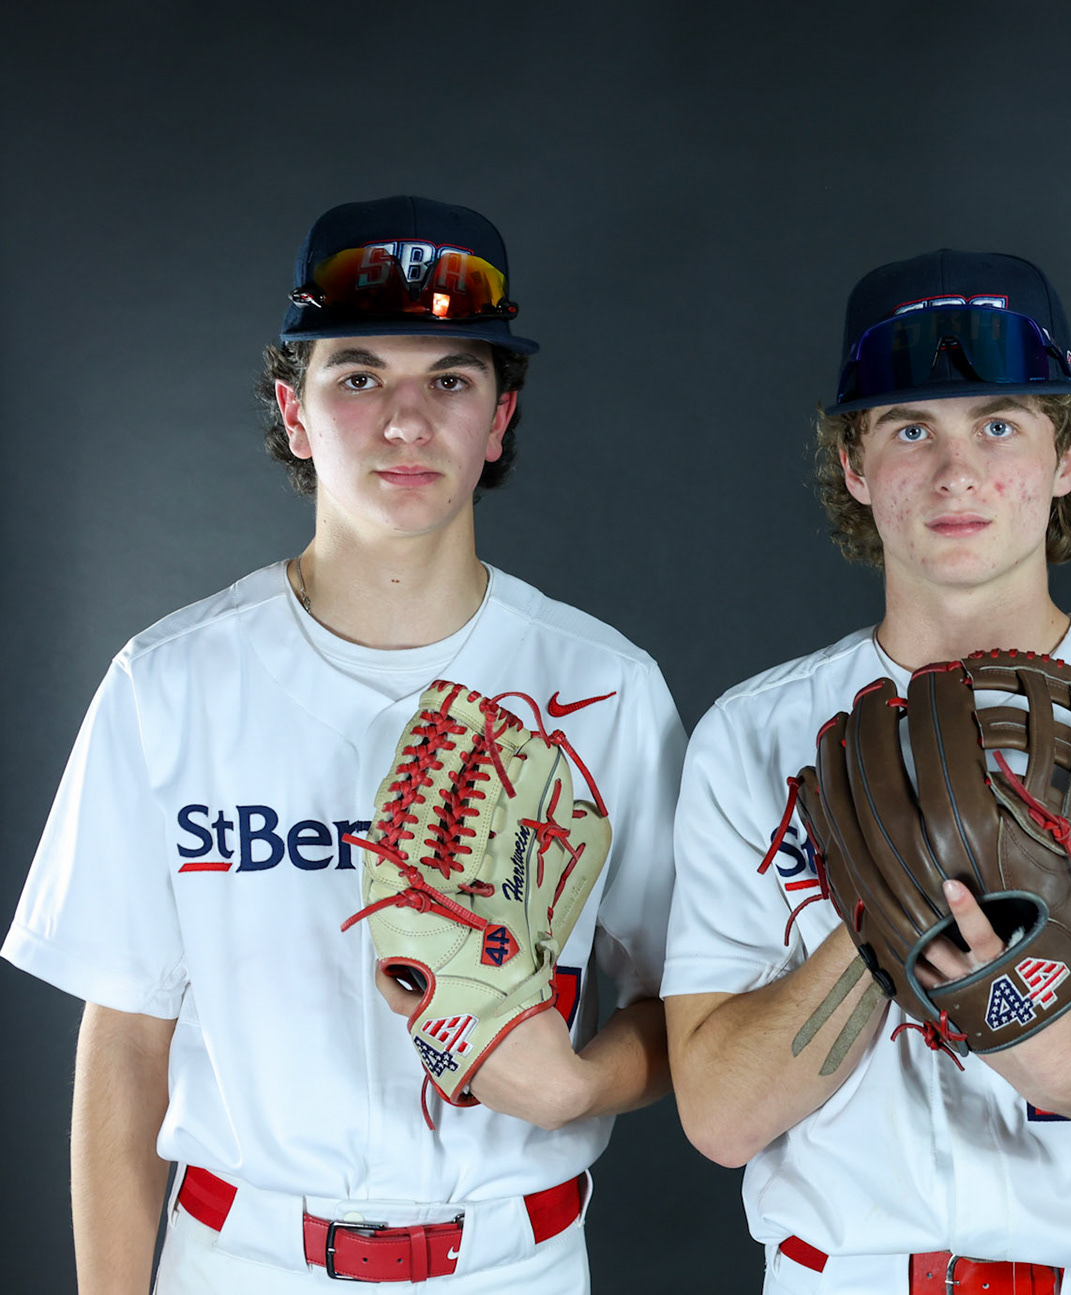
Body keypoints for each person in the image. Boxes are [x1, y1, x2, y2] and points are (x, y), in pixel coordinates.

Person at [3, 195, 683, 1293]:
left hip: (514, 1260)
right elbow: (125, 1042)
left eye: (451, 380)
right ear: (294, 406)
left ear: (500, 418)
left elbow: (682, 1002)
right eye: (358, 376)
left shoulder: (603, 687)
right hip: (241, 1257)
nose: (403, 423)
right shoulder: (169, 683)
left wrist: (577, 1085)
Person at [662, 249, 1071, 1294]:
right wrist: (895, 888)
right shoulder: (756, 734)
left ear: (1067, 453)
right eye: (907, 428)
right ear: (853, 464)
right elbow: (718, 1114)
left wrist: (1070, 1073)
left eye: (998, 423)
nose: (955, 471)